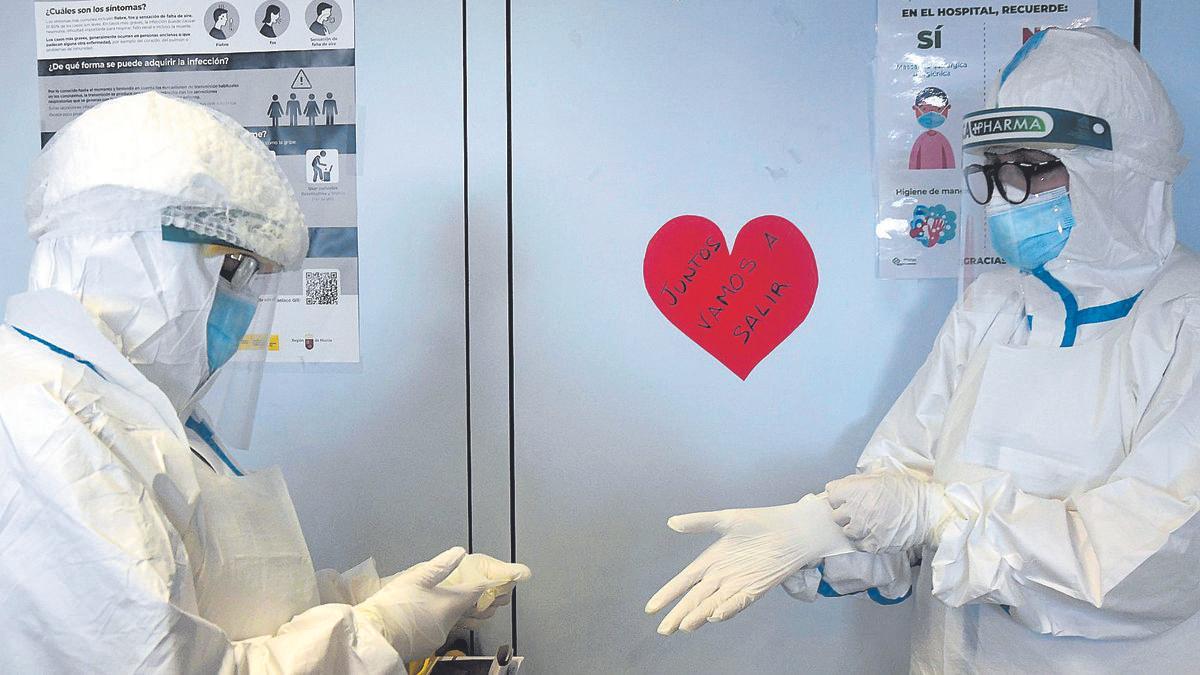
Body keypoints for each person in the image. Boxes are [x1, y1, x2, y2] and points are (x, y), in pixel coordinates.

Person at [648, 27, 1200, 672]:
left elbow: (1152, 556)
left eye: (1030, 167)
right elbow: (904, 472)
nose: (1006, 196)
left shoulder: (1183, 322)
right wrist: (821, 534)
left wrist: (932, 516)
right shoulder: (994, 306)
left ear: (1120, 172)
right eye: (993, 170)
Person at [0, 91, 531, 672]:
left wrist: (386, 598)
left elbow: (235, 600)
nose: (243, 306)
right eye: (233, 268)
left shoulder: (142, 414)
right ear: (124, 248)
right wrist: (385, 628)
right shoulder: (45, 429)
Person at [908, 86, 955, 170]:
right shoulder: (921, 140)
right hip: (920, 177)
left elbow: (949, 160)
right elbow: (914, 160)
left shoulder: (942, 139)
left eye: (938, 109)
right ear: (915, 109)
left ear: (947, 108)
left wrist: (950, 173)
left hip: (943, 176)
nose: (931, 113)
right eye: (924, 109)